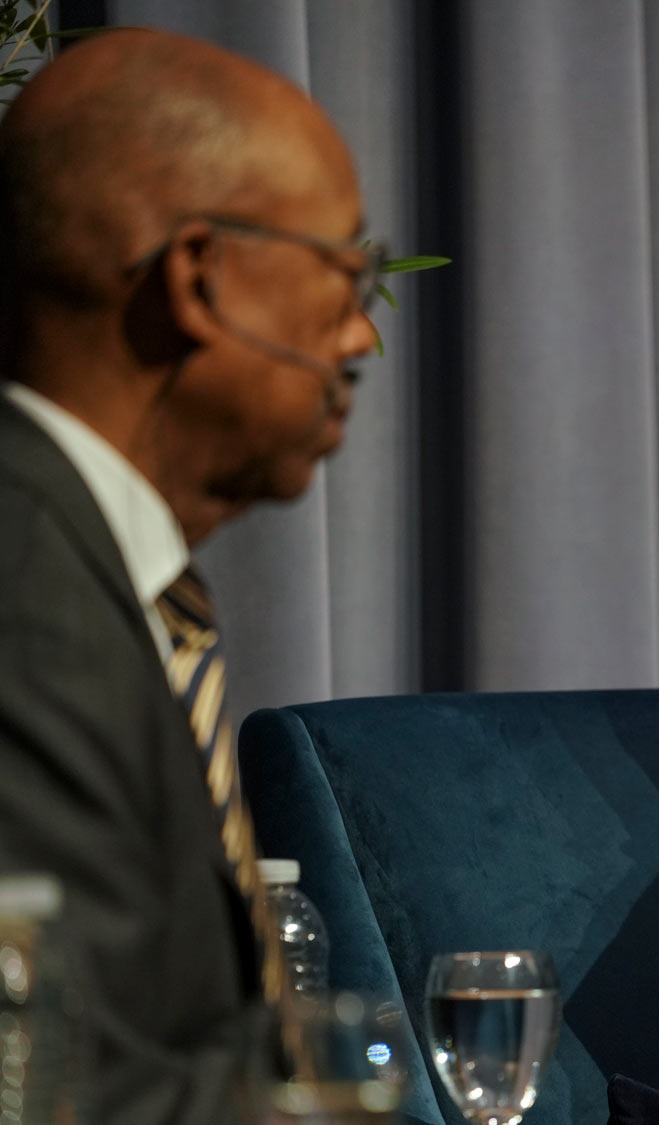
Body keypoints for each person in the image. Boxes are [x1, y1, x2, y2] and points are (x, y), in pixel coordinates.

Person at [0, 29, 380, 1124]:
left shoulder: (84, 569)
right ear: (199, 277)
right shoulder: (27, 604)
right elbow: (70, 1092)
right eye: (343, 274)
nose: (361, 334)